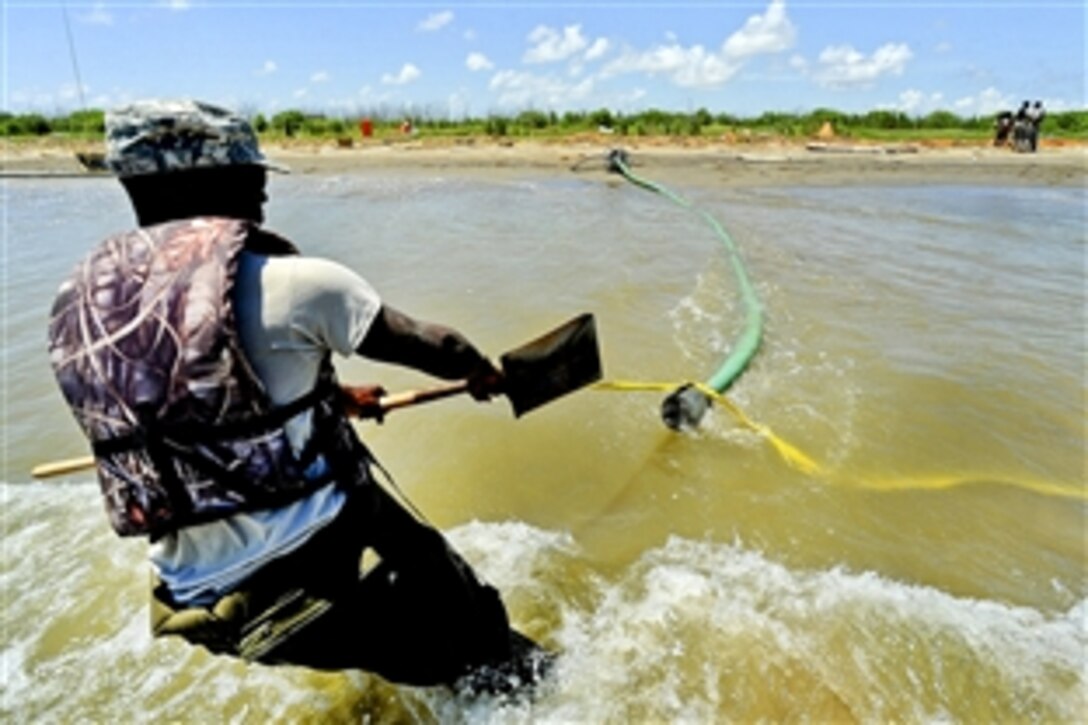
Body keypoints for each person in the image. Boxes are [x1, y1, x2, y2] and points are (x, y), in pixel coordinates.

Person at [47, 100, 550, 694]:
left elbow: (210, 396)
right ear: (204, 180)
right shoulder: (295, 282)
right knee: (499, 662)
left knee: (414, 628)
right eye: (252, 181)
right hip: (320, 569)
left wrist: (332, 397)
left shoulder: (81, 304)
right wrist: (482, 374)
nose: (262, 202)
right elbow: (435, 346)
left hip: (199, 600)